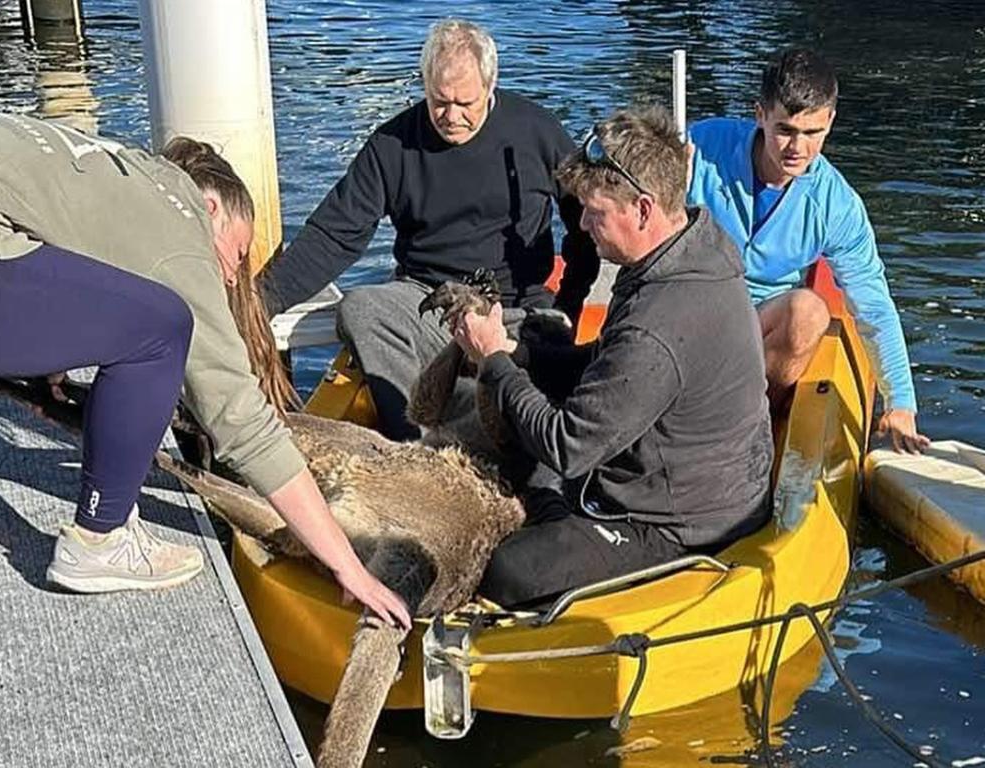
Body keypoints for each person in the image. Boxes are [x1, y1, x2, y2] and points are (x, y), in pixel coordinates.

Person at [0, 113, 410, 629]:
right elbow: (241, 423)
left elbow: (51, 280)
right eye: (238, 254)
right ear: (212, 205)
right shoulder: (180, 232)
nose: (233, 275)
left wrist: (49, 361)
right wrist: (350, 567)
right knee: (161, 328)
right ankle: (99, 541)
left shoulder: (118, 170)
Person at [451, 107, 773, 607]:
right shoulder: (696, 245)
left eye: (595, 213)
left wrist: (493, 361)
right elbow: (607, 362)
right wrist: (519, 352)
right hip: (710, 482)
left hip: (682, 525)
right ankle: (558, 509)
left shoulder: (659, 323)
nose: (581, 223)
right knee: (522, 446)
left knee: (512, 570)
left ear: (643, 210)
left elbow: (567, 446)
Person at [260, 18, 598, 440]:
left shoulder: (537, 132)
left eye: (465, 104)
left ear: (490, 88)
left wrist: (570, 305)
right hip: (428, 303)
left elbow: (586, 225)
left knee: (550, 354)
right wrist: (258, 303)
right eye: (439, 101)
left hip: (516, 308)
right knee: (361, 309)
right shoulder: (392, 145)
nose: (451, 116)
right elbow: (334, 235)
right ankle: (416, 437)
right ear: (424, 85)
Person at [687, 47, 928, 454]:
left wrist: (901, 401)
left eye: (812, 133)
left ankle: (743, 422)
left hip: (756, 330)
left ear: (830, 122)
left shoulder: (836, 204)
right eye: (785, 129)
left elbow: (872, 302)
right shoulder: (700, 144)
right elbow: (609, 155)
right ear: (759, 114)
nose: (797, 147)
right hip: (684, 305)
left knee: (809, 312)